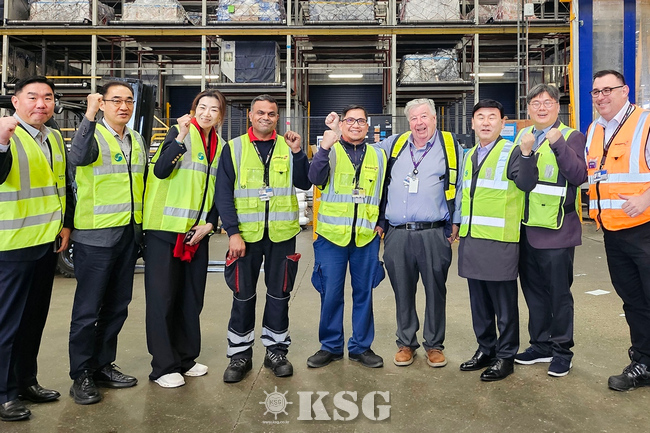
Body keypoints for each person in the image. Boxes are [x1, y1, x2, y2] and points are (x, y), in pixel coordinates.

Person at [216, 94, 310, 383]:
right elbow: (223, 193)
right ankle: (239, 355)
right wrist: (233, 232)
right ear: (250, 115)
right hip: (245, 236)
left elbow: (304, 182)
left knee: (279, 294)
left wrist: (298, 153)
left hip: (282, 235)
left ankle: (276, 351)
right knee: (243, 295)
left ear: (277, 118)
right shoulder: (234, 148)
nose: (265, 117)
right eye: (260, 112)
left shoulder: (288, 146)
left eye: (271, 113)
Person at [67, 81, 146, 404]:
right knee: (88, 310)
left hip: (128, 235)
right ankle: (81, 374)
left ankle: (102, 365)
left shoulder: (136, 139)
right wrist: (88, 116)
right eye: (116, 100)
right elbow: (77, 158)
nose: (123, 106)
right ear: (102, 104)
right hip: (95, 236)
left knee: (116, 306)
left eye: (128, 100)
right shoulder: (92, 134)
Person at [0, 76, 72, 421]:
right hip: (12, 245)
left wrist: (65, 224)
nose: (41, 104)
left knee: (33, 320)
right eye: (32, 97)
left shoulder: (53, 137)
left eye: (47, 97)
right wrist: (1, 143)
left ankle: (26, 381)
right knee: (7, 324)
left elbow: (61, 184)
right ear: (15, 101)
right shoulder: (6, 133)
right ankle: (4, 394)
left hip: (46, 242)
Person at [143, 89, 225, 388]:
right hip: (165, 229)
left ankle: (185, 358)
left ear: (220, 115)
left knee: (191, 299)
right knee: (163, 298)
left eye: (213, 109)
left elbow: (219, 191)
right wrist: (179, 137)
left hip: (197, 233)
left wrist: (210, 224)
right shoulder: (178, 134)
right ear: (193, 109)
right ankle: (163, 366)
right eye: (201, 107)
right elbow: (161, 170)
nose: (206, 113)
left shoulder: (220, 146)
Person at [375, 98, 462, 368]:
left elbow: (461, 184)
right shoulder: (395, 144)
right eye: (413, 118)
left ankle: (434, 345)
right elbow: (366, 155)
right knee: (402, 290)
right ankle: (405, 343)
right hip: (397, 233)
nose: (419, 123)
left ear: (434, 118)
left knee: (436, 290)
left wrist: (456, 221)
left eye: (424, 116)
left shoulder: (450, 146)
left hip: (434, 233)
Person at [512, 84, 587, 377]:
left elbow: (578, 176)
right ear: (528, 108)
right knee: (533, 293)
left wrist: (557, 144)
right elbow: (520, 181)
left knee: (558, 294)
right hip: (527, 229)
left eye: (547, 102)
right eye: (536, 103)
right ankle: (540, 345)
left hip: (558, 230)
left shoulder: (572, 136)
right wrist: (526, 153)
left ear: (557, 106)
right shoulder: (523, 136)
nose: (541, 108)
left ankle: (562, 351)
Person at [306, 105, 387, 369]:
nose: (356, 125)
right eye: (350, 120)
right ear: (341, 124)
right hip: (331, 238)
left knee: (364, 293)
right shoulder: (330, 150)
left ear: (367, 126)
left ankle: (361, 347)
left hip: (365, 237)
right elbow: (314, 178)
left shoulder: (379, 155)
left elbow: (384, 191)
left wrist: (381, 223)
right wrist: (323, 148)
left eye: (361, 121)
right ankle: (330, 346)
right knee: (331, 293)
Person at [585, 69, 650, 391]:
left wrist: (646, 197)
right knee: (633, 301)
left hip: (645, 229)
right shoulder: (594, 129)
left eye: (608, 90)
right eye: (596, 92)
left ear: (625, 91)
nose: (602, 97)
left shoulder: (645, 123)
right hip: (612, 231)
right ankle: (644, 362)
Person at [457, 99, 530, 381]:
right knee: (479, 303)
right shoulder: (469, 155)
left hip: (500, 241)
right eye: (480, 117)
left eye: (492, 117)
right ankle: (486, 349)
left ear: (502, 122)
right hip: (472, 240)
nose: (485, 122)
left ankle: (506, 356)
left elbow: (526, 183)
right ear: (472, 123)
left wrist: (527, 156)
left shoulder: (512, 152)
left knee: (504, 305)